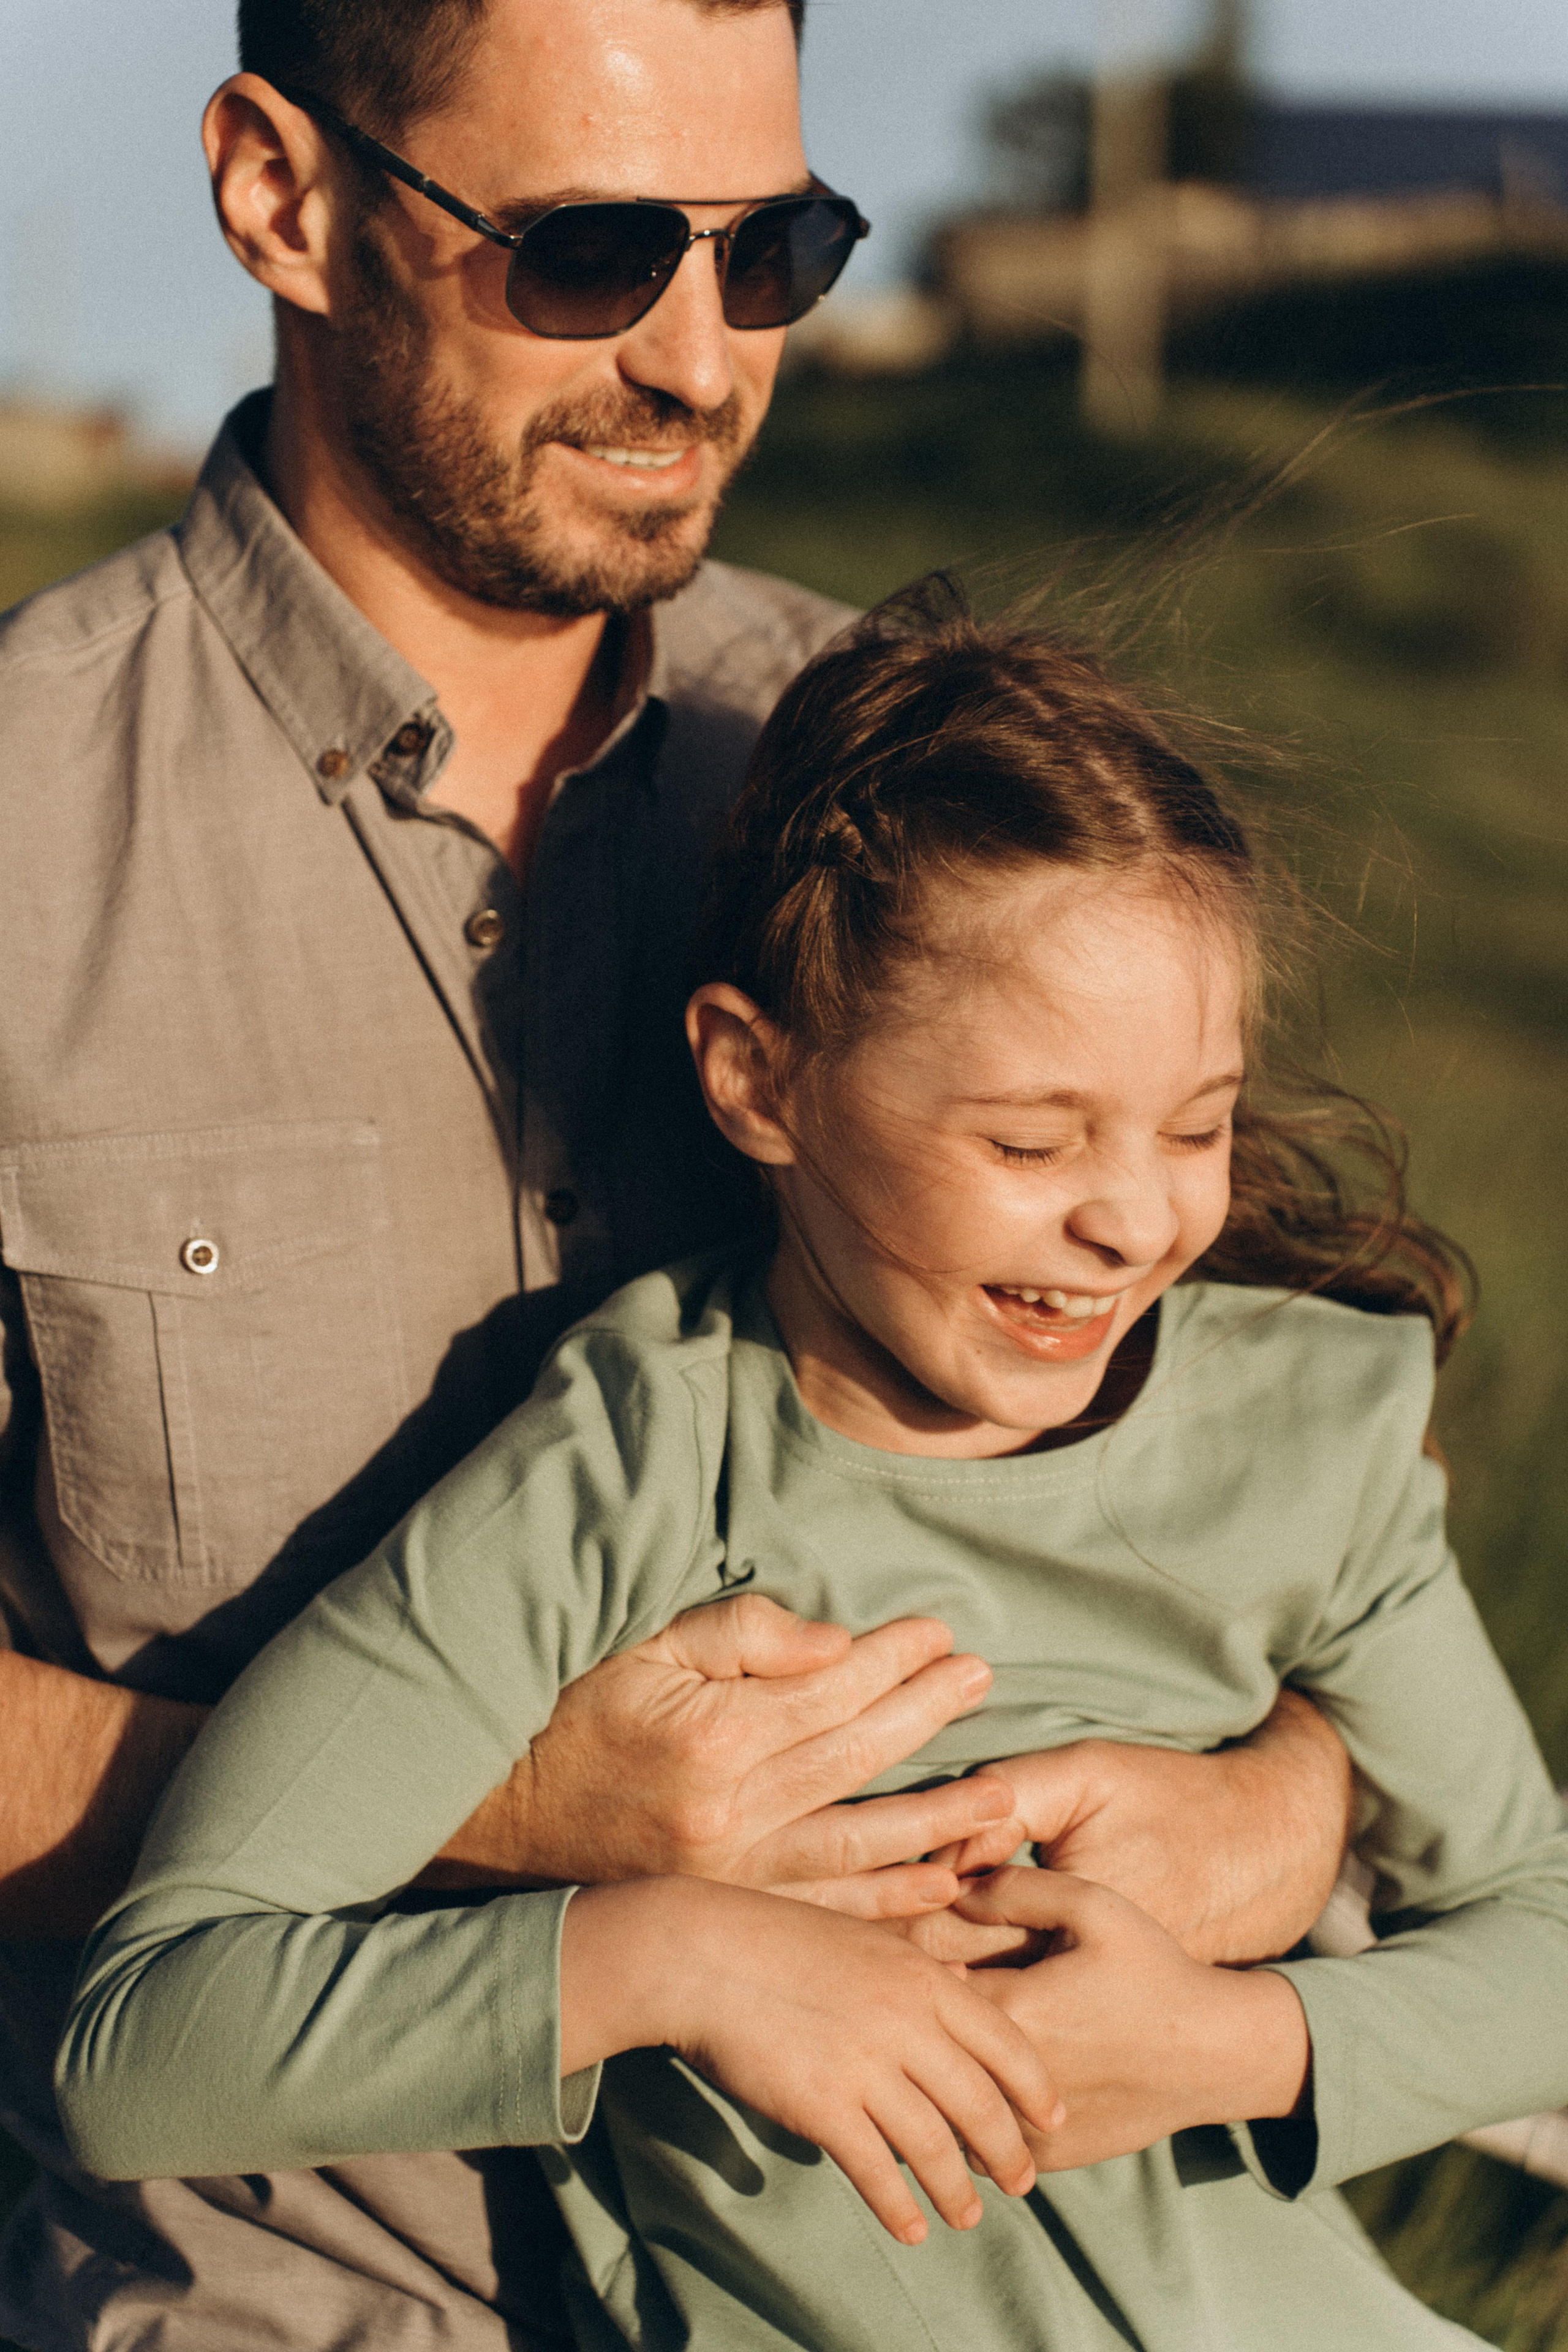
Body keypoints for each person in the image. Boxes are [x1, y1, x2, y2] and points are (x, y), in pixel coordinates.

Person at [0, 2, 1349, 2345]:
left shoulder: (913, 802)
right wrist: (513, 1806)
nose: (701, 355)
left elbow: (1269, 1452)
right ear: (277, 197)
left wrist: (1285, 1813)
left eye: (776, 250)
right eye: (596, 248)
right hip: (284, 2286)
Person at [55, 589, 1568, 2351]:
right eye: (1028, 1137)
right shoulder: (632, 1466)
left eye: (1197, 1123)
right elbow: (146, 2041)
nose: (1136, 1214)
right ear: (758, 1081)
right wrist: (669, 1961)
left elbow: (1538, 1936)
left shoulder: (1313, 1432)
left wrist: (1239, 2044)